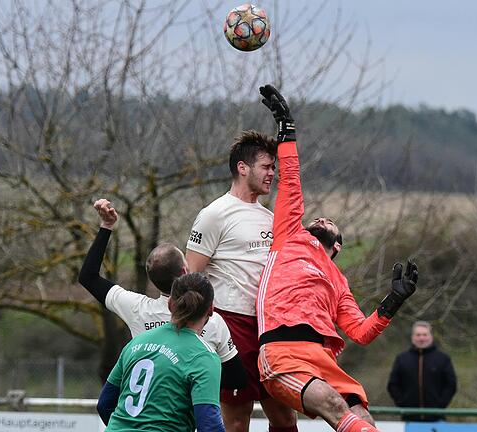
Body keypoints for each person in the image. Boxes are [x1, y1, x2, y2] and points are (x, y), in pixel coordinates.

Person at [255, 84, 419, 432]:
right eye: (319, 219)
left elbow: (360, 331)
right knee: (334, 407)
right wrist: (287, 130)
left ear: (337, 247)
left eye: (331, 224)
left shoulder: (337, 281)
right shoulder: (290, 235)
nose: (322, 219)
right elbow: (292, 184)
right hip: (284, 351)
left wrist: (393, 301)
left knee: (363, 416)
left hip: (322, 359)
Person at [186, 130, 298, 432]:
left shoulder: (268, 216)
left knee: (286, 419)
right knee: (236, 421)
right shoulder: (214, 214)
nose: (272, 173)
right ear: (242, 168)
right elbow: (190, 277)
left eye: (274, 167)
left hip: (270, 327)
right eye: (266, 166)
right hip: (232, 326)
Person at [78, 198, 246, 391]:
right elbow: (236, 379)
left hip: (146, 410)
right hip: (187, 415)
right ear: (185, 271)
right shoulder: (211, 320)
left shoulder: (137, 309)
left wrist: (106, 225)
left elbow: (88, 277)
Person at [96, 272, 226, 432]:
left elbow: (104, 404)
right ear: (211, 310)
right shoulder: (204, 356)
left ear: (170, 304)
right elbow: (209, 426)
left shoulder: (137, 342)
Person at [386, 321, 457, 422]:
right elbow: (393, 384)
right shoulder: (402, 359)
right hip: (408, 419)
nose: (421, 338)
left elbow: (451, 385)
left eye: (425, 334)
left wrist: (440, 405)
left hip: (436, 419)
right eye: (418, 335)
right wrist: (402, 403)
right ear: (412, 337)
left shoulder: (443, 359)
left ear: (431, 336)